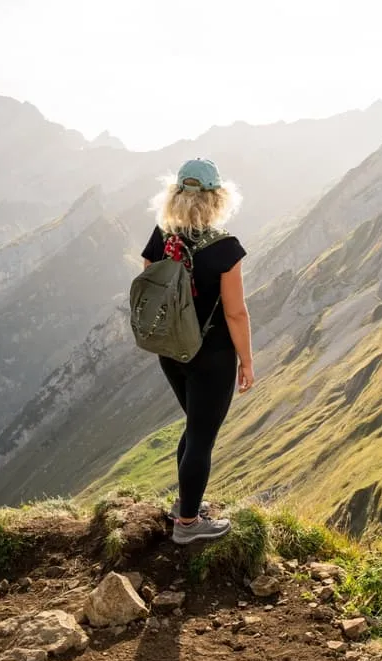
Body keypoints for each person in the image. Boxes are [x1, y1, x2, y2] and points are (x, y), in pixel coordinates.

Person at [140, 158, 254, 544]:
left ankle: (185, 505)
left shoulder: (161, 236)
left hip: (171, 350)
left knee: (195, 428)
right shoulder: (225, 249)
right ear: (217, 197)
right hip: (213, 356)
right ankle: (188, 524)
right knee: (202, 437)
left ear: (175, 194)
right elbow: (236, 312)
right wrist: (247, 362)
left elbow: (148, 279)